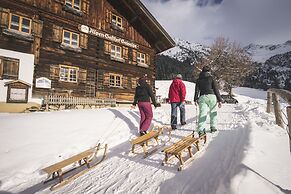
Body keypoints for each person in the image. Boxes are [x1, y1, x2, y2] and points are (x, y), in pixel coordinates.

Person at [194, 66, 223, 137]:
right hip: (212, 97)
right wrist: (220, 100)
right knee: (213, 113)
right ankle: (213, 127)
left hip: (202, 97)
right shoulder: (211, 78)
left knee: (202, 113)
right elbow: (216, 89)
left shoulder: (198, 79)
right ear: (209, 71)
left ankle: (201, 130)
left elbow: (196, 91)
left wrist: (195, 99)